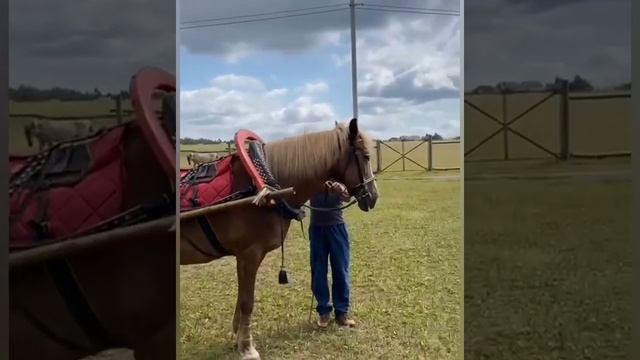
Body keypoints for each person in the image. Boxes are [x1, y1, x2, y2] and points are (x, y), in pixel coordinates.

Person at [309, 180, 356, 328]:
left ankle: (341, 313)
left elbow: (348, 197)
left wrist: (340, 188)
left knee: (341, 269)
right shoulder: (312, 172)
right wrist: (315, 185)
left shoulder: (338, 171)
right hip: (317, 228)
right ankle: (324, 312)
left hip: (337, 227)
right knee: (318, 271)